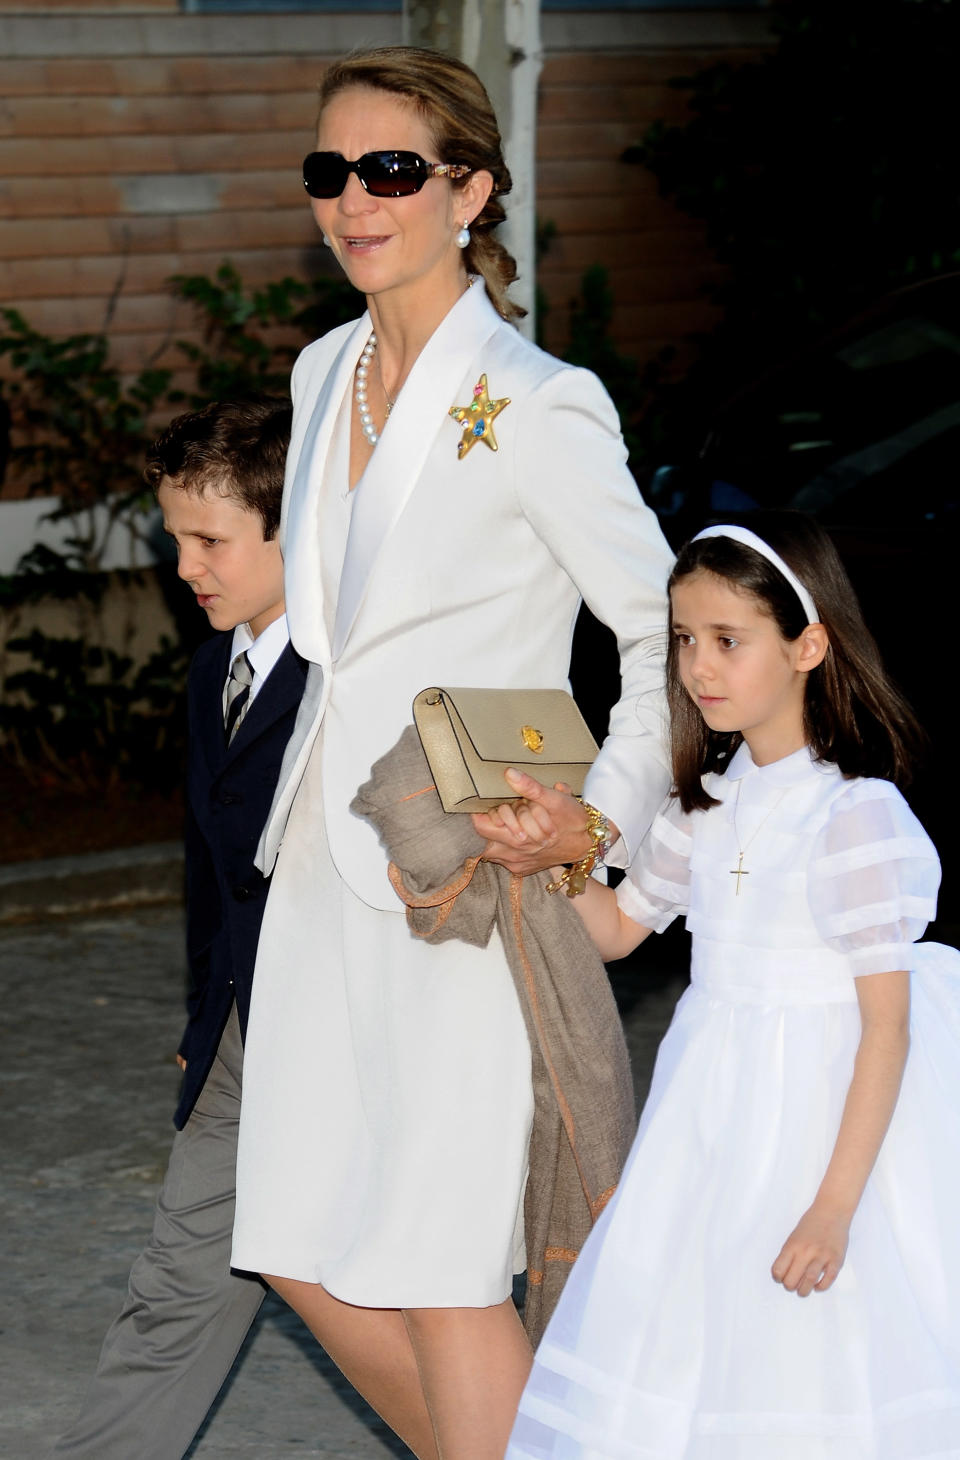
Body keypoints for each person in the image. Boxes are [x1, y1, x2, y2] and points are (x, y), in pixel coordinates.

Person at [228, 44, 674, 1460]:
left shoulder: (540, 401)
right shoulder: (316, 374)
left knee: (438, 1261)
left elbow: (665, 637)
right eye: (331, 172)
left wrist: (596, 830)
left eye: (393, 171)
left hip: (466, 877)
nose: (355, 200)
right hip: (316, 864)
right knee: (290, 1235)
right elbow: (331, 627)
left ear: (470, 191)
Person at [504, 514, 960, 1458]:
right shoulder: (705, 805)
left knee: (813, 1357)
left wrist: (834, 1207)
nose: (698, 668)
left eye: (726, 641)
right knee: (690, 1335)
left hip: (825, 1129)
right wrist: (557, 853)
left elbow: (888, 1032)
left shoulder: (854, 814)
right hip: (710, 1122)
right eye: (682, 641)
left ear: (808, 645)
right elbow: (621, 931)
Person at [53, 397, 307, 1460]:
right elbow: (212, 874)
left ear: (299, 532)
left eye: (212, 540)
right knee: (179, 1280)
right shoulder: (216, 667)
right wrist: (209, 1015)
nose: (185, 565)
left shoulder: (364, 675)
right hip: (247, 1039)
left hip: (356, 1042)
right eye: (174, 538)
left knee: (403, 1301)